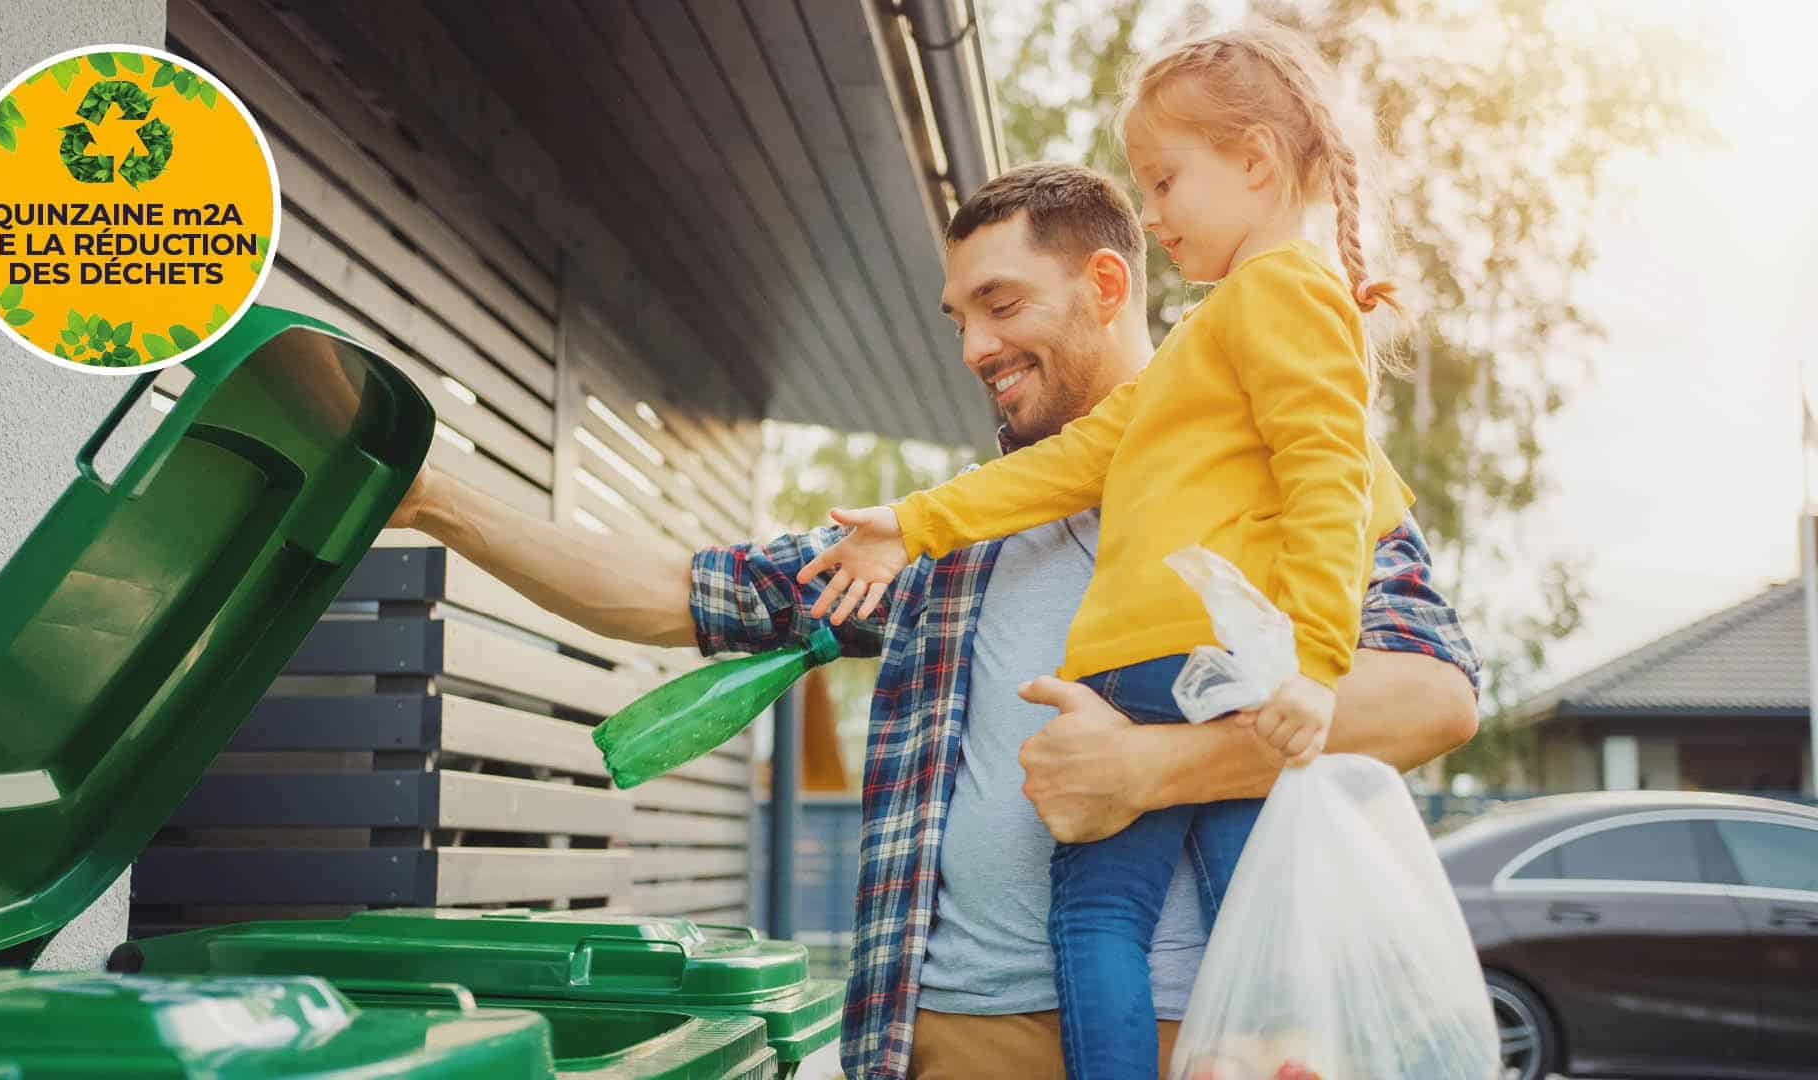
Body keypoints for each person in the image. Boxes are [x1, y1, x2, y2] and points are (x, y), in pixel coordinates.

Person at [384, 162, 1480, 1079]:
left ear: (1107, 284)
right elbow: (683, 593)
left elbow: (1431, 700)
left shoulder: (1293, 464)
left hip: (1199, 1043)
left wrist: (1152, 769)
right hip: (947, 1039)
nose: (972, 350)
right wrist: (438, 500)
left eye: (1002, 305)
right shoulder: (945, 538)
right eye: (959, 318)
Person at [793, 25, 1415, 1078]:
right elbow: (1075, 462)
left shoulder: (1281, 294)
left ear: (1257, 162)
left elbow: (1331, 483)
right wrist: (917, 523)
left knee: (1101, 918)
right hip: (1176, 670)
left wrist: (1314, 661)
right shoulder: (1208, 342)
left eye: (1167, 182)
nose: (1156, 212)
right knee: (1243, 901)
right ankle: (1277, 1050)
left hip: (1179, 668)